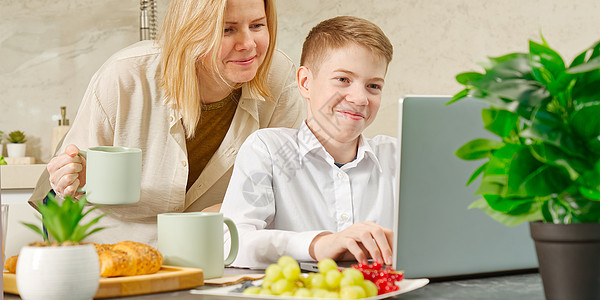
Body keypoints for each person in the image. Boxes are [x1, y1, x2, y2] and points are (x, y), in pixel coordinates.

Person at [29, 0, 304, 246]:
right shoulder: (125, 76)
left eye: (257, 25)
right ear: (191, 31)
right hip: (110, 253)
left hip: (211, 252)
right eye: (226, 30)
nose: (247, 44)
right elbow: (64, 192)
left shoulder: (280, 81)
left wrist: (228, 212)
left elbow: (281, 190)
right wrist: (68, 178)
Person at [220, 16, 395, 268]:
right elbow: (230, 243)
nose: (360, 98)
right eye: (343, 80)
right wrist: (317, 244)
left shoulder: (398, 156)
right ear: (305, 83)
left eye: (373, 86)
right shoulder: (267, 150)